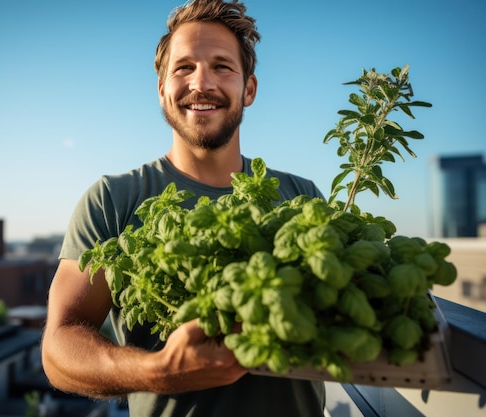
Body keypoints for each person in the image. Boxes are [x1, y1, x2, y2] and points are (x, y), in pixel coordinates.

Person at [41, 0, 326, 416]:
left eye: (222, 66)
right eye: (184, 67)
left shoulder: (303, 199)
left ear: (249, 89)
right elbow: (59, 349)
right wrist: (160, 371)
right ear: (161, 89)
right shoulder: (113, 200)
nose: (201, 83)